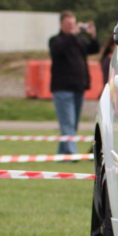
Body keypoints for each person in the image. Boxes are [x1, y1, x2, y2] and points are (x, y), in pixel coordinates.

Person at [49, 11, 99, 155]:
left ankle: (62, 154)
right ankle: (71, 154)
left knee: (73, 124)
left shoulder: (78, 40)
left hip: (78, 88)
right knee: (67, 123)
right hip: (62, 89)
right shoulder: (56, 40)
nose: (71, 26)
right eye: (68, 24)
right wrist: (72, 34)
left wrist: (92, 35)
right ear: (61, 24)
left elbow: (94, 49)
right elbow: (59, 49)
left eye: (73, 23)